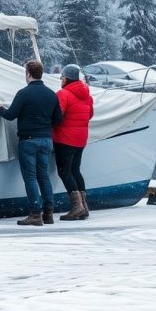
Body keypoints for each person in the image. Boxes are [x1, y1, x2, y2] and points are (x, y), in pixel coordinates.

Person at [0, 59, 63, 226]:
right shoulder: (51, 94)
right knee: (43, 176)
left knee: (30, 178)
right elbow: (58, 119)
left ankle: (35, 213)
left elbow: (10, 115)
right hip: (46, 139)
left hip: (29, 140)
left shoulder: (24, 94)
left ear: (28, 74)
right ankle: (49, 212)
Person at [53, 64, 94, 220]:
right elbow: (89, 115)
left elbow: (58, 117)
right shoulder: (88, 96)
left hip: (65, 138)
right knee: (75, 170)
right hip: (81, 139)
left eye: (61, 77)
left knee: (64, 171)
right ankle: (84, 206)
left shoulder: (63, 94)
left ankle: (77, 207)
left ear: (66, 78)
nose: (61, 80)